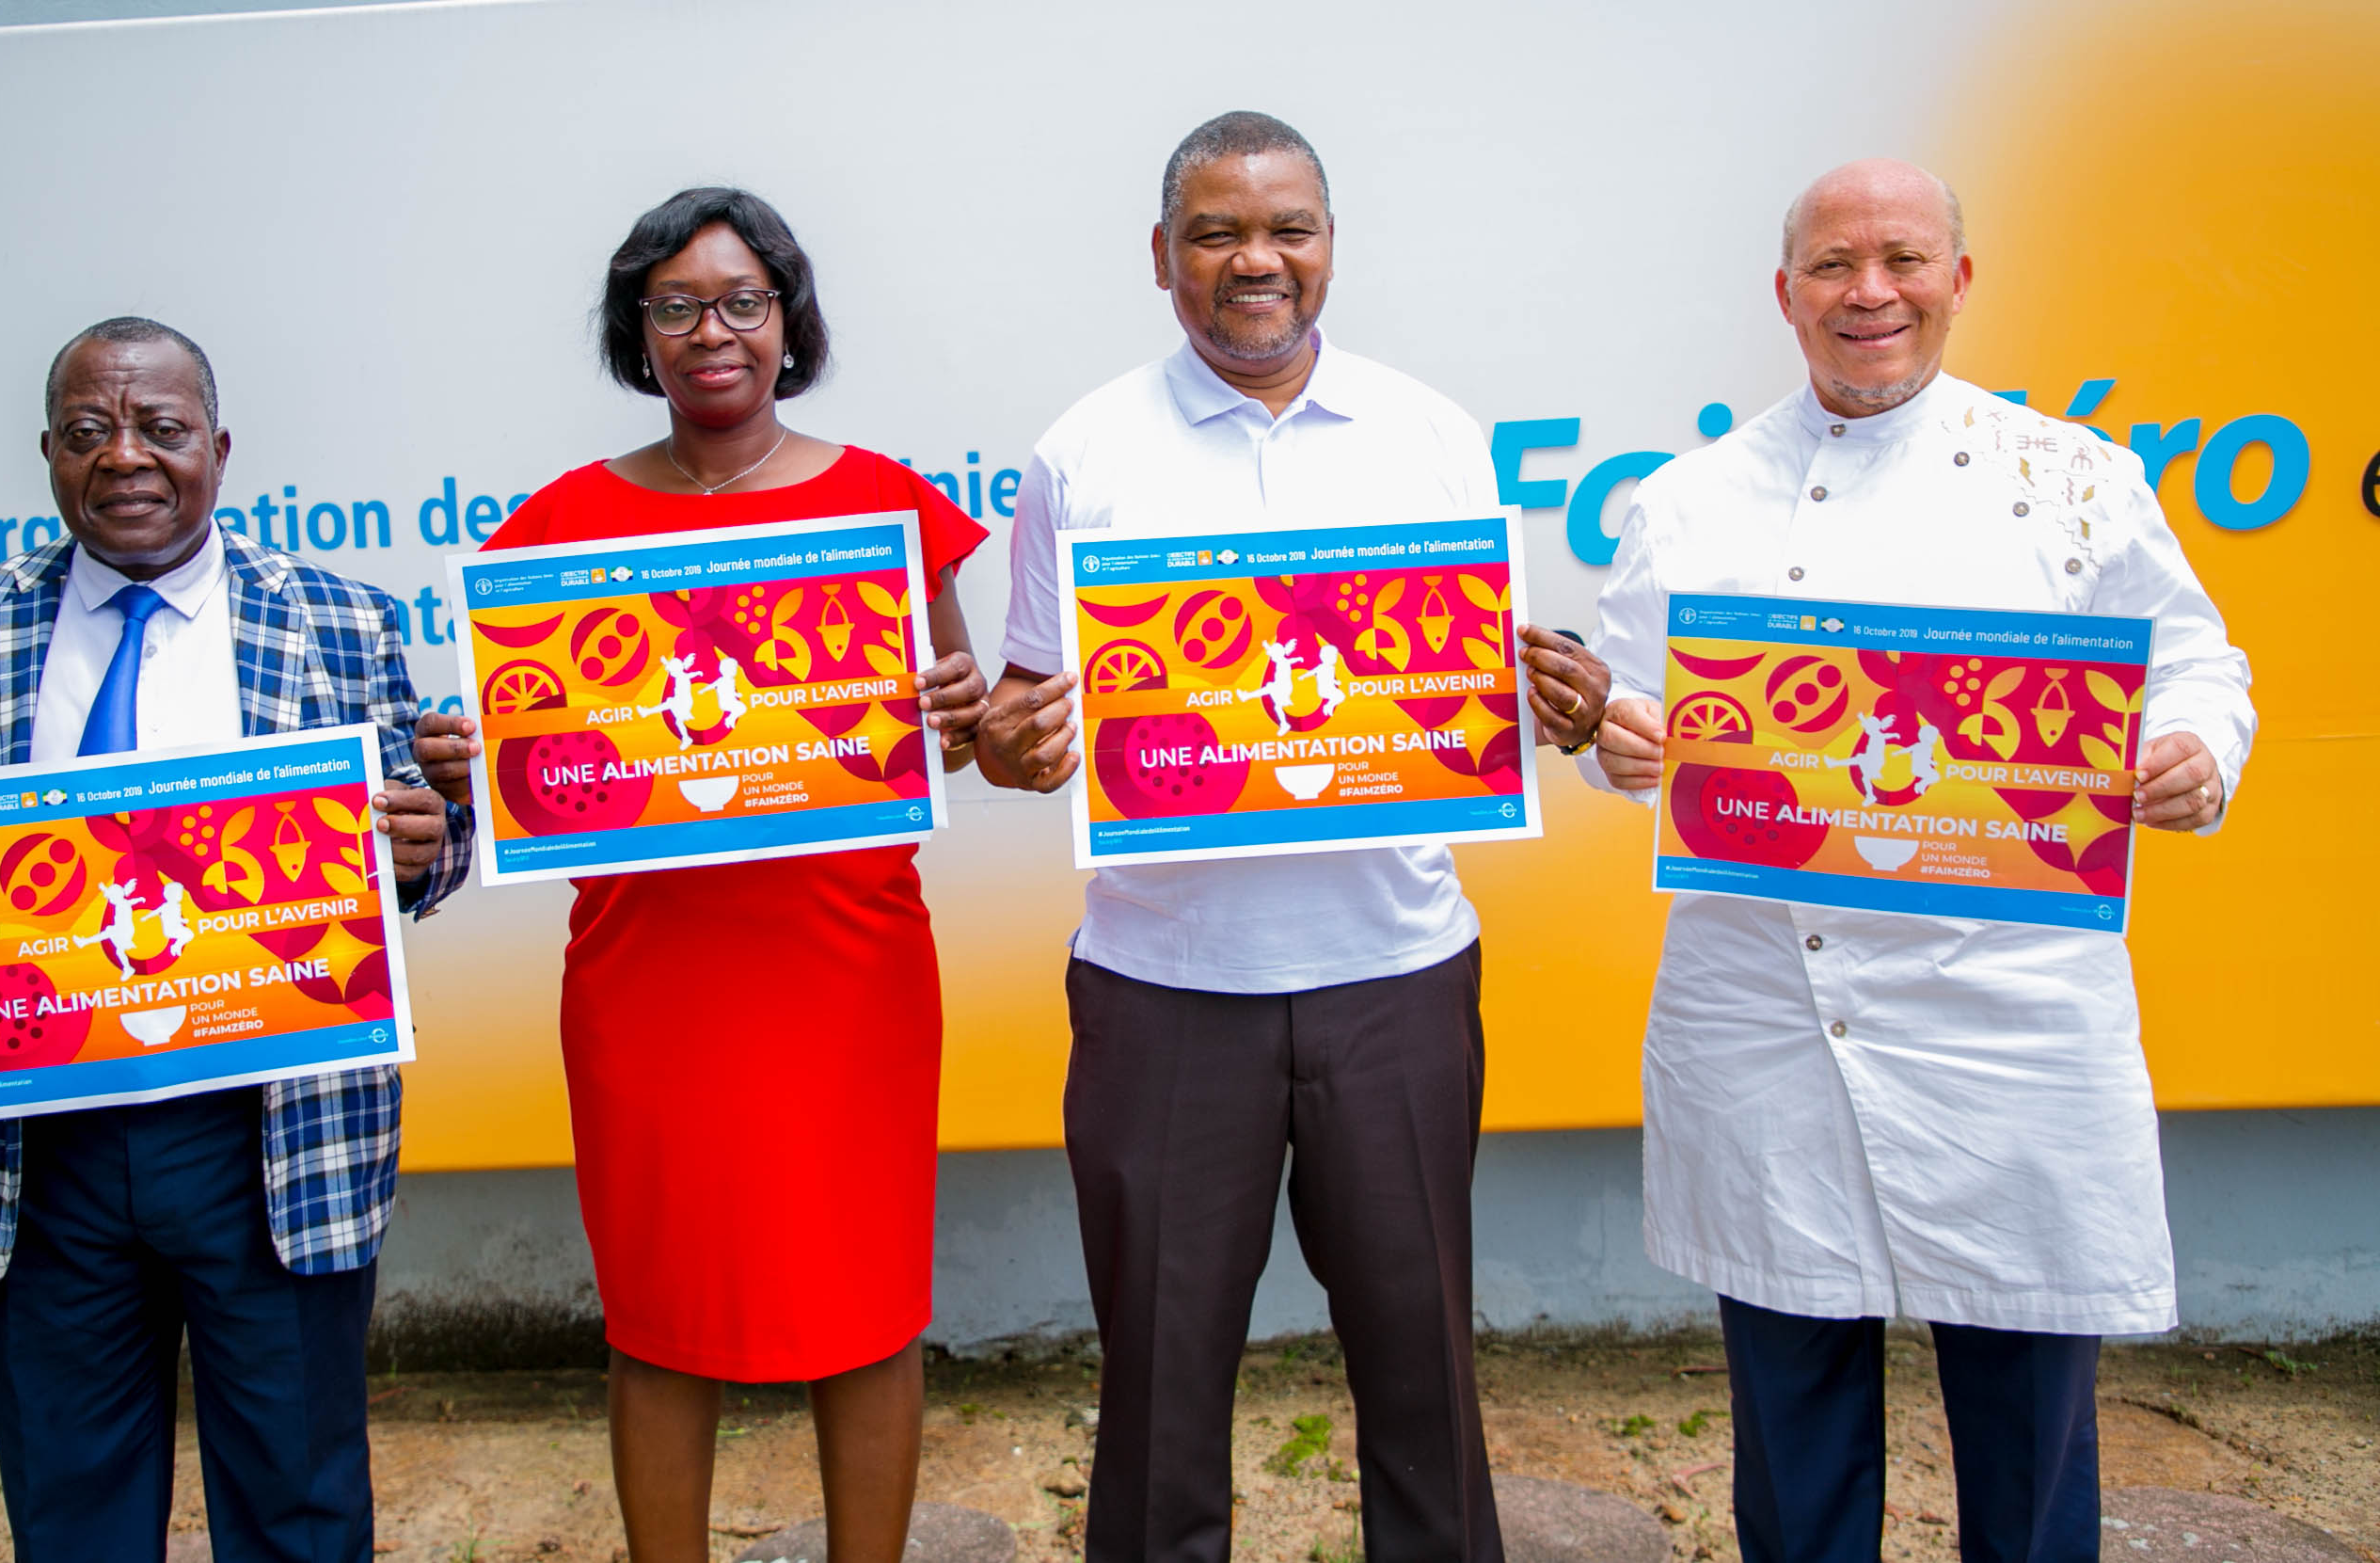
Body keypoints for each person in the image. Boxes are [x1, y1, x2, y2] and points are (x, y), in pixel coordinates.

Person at [1582, 160, 2254, 1562]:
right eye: (1833, 265)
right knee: (1795, 1444)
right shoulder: (1694, 499)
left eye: (1903, 259)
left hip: (2008, 1027)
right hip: (1771, 1019)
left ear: (1961, 279)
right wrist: (1621, 740)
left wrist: (2195, 746)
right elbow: (1622, 701)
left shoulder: (2070, 480)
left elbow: (2197, 659)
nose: (1869, 292)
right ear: (1785, 294)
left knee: (2030, 1446)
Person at [973, 112, 1610, 1563]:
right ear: (1161, 257)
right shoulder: (1083, 452)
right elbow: (1023, 711)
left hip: (1396, 973)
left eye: (1287, 229)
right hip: (1162, 987)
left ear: (1331, 247)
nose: (1254, 259)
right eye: (1215, 233)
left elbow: (1484, 686)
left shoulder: (1431, 433)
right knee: (1157, 1394)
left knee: (1424, 1374)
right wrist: (1014, 745)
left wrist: (1558, 698)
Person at [0, 317, 472, 1563]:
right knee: (72, 1509)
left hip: (272, 1133)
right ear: (48, 453)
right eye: (90, 431)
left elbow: (423, 836)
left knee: (302, 1504)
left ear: (220, 449)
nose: (126, 457)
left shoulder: (341, 618)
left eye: (161, 428)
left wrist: (426, 846)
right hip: (45, 1145)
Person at [421, 187, 989, 1563]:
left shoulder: (886, 504)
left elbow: (958, 728)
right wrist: (466, 762)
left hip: (845, 968)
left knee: (867, 1305)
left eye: (742, 300)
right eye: (675, 305)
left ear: (789, 319)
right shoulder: (560, 523)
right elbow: (522, 761)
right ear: (639, 330)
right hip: (649, 977)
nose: (712, 330)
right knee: (661, 1313)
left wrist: (965, 710)